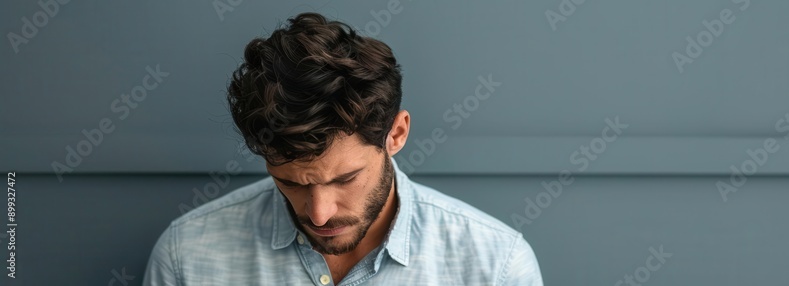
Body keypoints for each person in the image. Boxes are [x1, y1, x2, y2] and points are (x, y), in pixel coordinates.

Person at [142, 12, 543, 285]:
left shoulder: (496, 266)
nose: (319, 214)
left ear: (396, 134)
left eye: (345, 178)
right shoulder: (185, 256)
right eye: (291, 183)